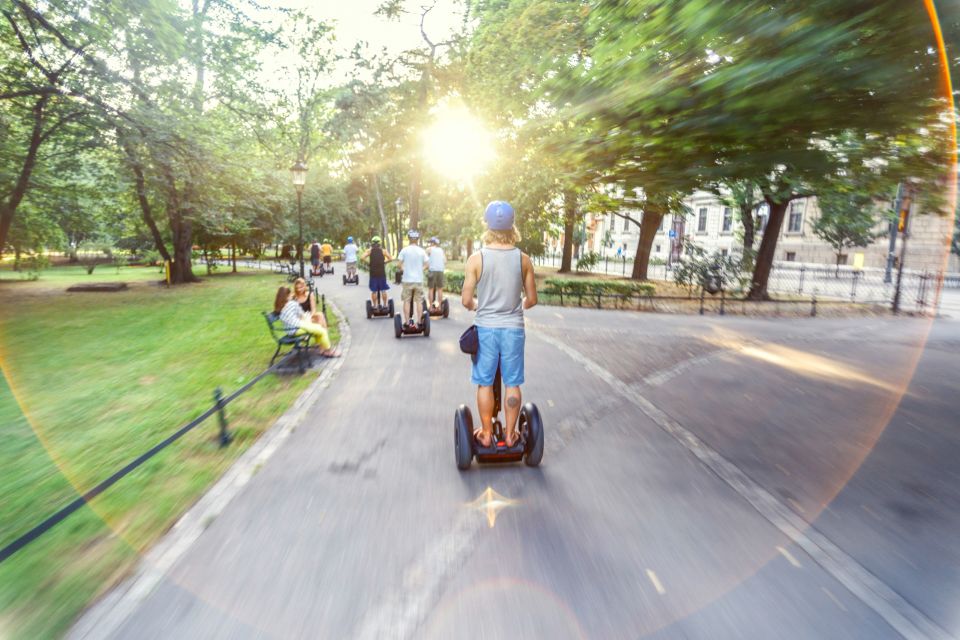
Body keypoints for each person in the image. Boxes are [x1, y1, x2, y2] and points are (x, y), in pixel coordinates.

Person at [460, 201, 537, 448]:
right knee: (512, 382)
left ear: (487, 225)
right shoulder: (523, 259)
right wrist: (517, 307)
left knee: (484, 381)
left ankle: (484, 433)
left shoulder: (476, 259)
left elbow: (465, 300)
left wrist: (478, 305)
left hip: (486, 329)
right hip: (514, 329)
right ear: (512, 226)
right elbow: (532, 299)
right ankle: (511, 434)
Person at [274, 286, 339, 357]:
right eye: (289, 295)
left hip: (290, 331)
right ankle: (329, 351)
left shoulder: (279, 307)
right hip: (297, 328)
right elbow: (302, 315)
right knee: (321, 330)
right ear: (287, 296)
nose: (291, 296)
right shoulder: (292, 303)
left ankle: (323, 349)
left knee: (317, 329)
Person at [396, 230, 428, 326]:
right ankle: (419, 321)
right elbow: (427, 264)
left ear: (409, 239)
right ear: (417, 239)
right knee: (419, 301)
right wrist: (420, 270)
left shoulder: (404, 250)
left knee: (407, 300)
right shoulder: (421, 251)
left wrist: (404, 270)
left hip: (407, 280)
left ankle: (407, 322)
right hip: (418, 280)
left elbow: (398, 264)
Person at [361, 236, 392, 307]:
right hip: (381, 273)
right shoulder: (383, 251)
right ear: (380, 243)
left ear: (372, 243)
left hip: (373, 273)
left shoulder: (369, 251)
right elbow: (390, 258)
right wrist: (384, 262)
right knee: (383, 290)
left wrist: (369, 263)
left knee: (374, 290)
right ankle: (385, 305)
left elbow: (362, 257)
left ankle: (374, 306)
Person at [426, 236, 446, 308]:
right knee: (440, 289)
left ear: (432, 243)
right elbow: (445, 261)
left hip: (432, 271)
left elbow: (425, 259)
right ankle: (440, 306)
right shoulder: (441, 250)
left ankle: (431, 307)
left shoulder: (429, 249)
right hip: (440, 271)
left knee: (431, 289)